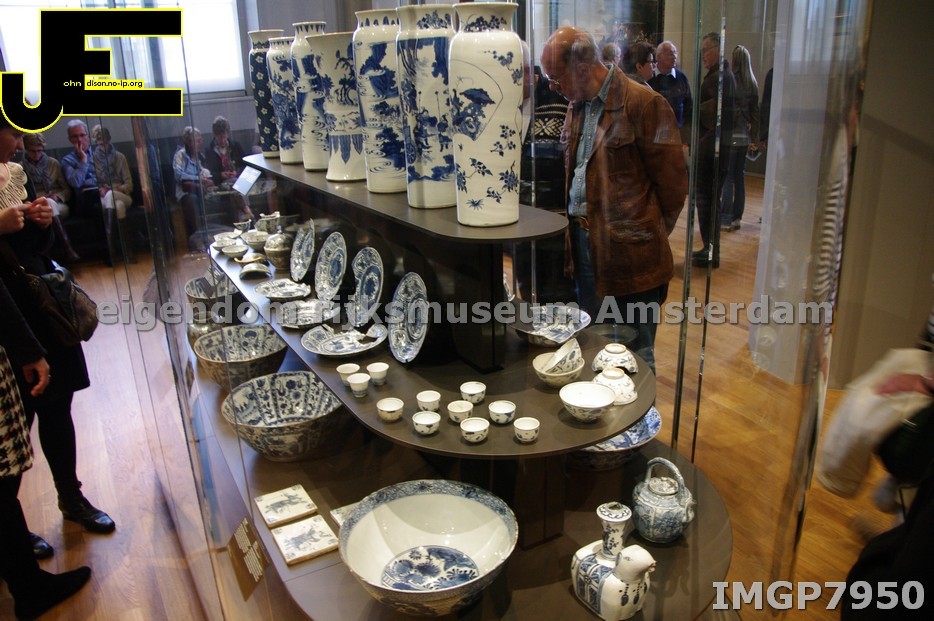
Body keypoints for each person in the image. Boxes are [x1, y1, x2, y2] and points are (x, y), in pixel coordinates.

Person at [541, 27, 688, 372]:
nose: (553, 88)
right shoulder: (577, 107)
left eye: (556, 78)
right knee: (596, 346)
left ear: (582, 69)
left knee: (636, 355)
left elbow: (673, 187)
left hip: (632, 258)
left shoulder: (645, 103)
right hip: (584, 247)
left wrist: (640, 237)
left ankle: (640, 410)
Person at [0, 116, 116, 538]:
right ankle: (12, 532)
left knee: (57, 407)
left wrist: (42, 223)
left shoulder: (15, 175)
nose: (18, 144)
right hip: (7, 321)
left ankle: (71, 497)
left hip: (41, 308)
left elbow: (40, 249)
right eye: (13, 134)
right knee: (12, 426)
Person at [1, 277, 92, 620]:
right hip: (12, 331)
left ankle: (70, 498)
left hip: (29, 304)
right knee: (4, 477)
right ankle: (28, 586)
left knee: (56, 409)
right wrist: (27, 349)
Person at [691, 32, 735, 268]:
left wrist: (698, 147)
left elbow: (709, 121)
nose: (703, 56)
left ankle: (711, 251)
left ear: (717, 49)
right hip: (716, 151)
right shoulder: (723, 76)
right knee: (710, 204)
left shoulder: (718, 79)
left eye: (706, 50)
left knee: (707, 204)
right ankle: (710, 249)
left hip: (711, 154)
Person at [19, 133, 80, 263]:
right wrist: (39, 199)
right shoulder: (20, 168)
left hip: (58, 204)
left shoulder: (53, 163)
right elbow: (22, 195)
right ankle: (67, 250)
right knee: (44, 207)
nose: (37, 155)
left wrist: (57, 196)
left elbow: (66, 190)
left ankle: (51, 256)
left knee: (50, 203)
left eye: (40, 151)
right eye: (33, 151)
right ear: (26, 150)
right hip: (35, 205)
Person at [719, 45, 759, 233]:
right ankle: (737, 218)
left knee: (728, 177)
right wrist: (754, 138)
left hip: (731, 135)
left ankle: (726, 218)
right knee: (739, 176)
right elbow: (755, 114)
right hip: (744, 136)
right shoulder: (752, 83)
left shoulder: (730, 81)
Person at [91, 124, 136, 262]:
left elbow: (129, 185)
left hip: (121, 193)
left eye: (105, 142)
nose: (103, 146)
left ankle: (110, 251)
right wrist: (100, 189)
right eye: (100, 143)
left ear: (109, 139)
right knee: (119, 206)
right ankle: (127, 252)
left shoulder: (120, 157)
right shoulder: (92, 159)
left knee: (112, 196)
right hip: (103, 196)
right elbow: (92, 182)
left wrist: (116, 189)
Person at [173, 126, 214, 238]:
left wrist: (208, 180)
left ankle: (212, 232)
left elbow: (206, 173)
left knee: (213, 197)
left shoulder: (200, 156)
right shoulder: (180, 155)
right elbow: (179, 175)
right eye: (197, 141)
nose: (200, 144)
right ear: (189, 142)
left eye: (200, 141)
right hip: (185, 192)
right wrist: (197, 179)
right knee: (193, 200)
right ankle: (197, 236)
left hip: (200, 190)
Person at [649, 41, 693, 132]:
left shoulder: (681, 77)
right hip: (652, 131)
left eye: (675, 53)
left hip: (676, 131)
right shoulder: (650, 77)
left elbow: (688, 105)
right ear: (658, 57)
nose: (674, 57)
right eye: (670, 54)